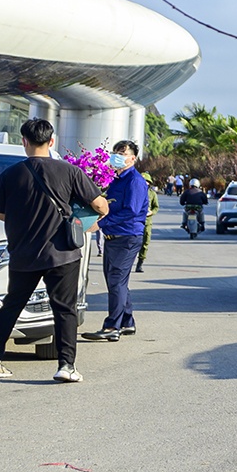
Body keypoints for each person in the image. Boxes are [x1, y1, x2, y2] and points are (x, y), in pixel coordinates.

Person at [0, 118, 108, 383]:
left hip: (24, 253)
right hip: (62, 253)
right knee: (64, 309)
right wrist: (84, 219)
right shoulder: (69, 171)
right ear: (52, 141)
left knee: (11, 306)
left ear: (24, 142)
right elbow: (101, 206)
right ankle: (66, 366)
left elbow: (0, 213)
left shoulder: (11, 174)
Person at [91, 139, 148, 342]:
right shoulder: (115, 179)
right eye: (116, 152)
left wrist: (101, 224)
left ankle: (111, 326)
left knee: (116, 280)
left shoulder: (135, 181)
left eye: (123, 153)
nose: (118, 156)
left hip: (127, 236)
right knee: (117, 281)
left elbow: (131, 211)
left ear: (133, 158)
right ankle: (127, 322)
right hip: (113, 237)